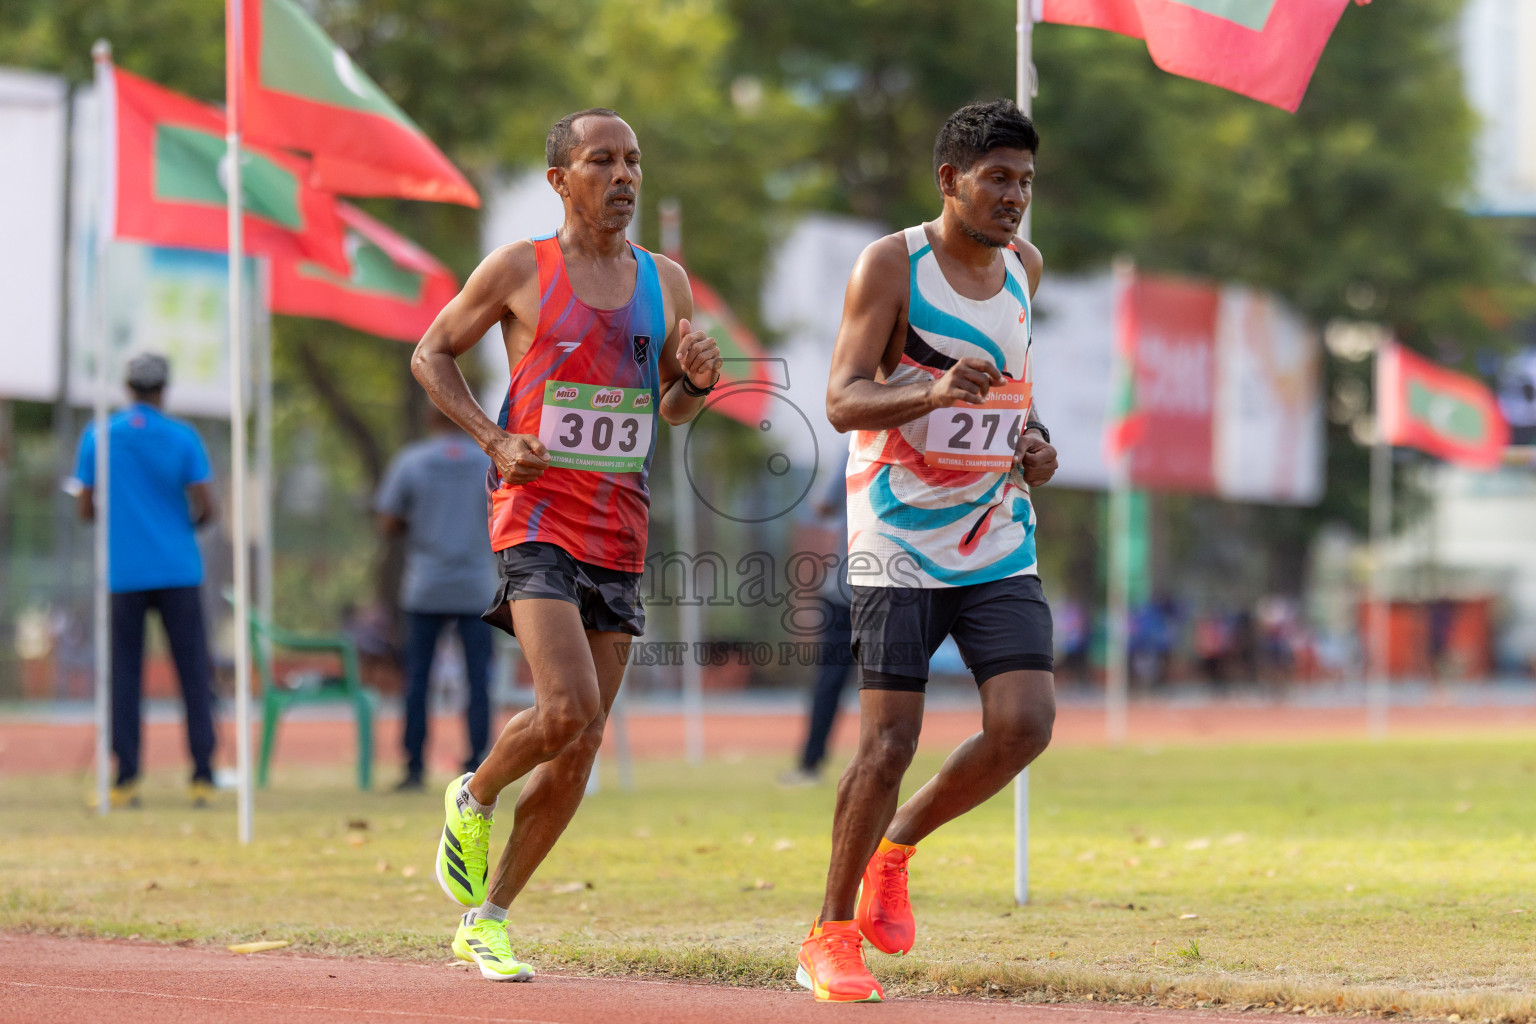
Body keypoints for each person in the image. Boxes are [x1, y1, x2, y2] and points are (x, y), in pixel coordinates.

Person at [410, 108, 722, 982]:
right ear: (559, 179)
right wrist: (493, 437)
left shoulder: (666, 282)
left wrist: (698, 383)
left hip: (619, 526)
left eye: (633, 161)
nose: (623, 177)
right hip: (536, 514)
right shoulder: (520, 268)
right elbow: (431, 354)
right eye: (601, 161)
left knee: (581, 742)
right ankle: (474, 793)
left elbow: (672, 406)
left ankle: (488, 918)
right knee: (564, 709)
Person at [798, 99, 1059, 1003]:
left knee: (1026, 723)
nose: (1014, 197)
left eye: (1025, 181)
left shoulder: (1026, 267)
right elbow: (842, 399)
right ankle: (828, 934)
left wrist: (1037, 444)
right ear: (950, 180)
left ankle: (897, 847)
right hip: (899, 536)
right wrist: (932, 391)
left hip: (996, 533)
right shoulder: (892, 264)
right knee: (888, 744)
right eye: (997, 179)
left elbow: (1015, 389)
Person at [70, 352, 218, 808]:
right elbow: (207, 506)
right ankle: (202, 774)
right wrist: (179, 526)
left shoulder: (99, 434)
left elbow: (85, 507)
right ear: (164, 389)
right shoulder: (183, 436)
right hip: (179, 570)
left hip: (124, 572)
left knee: (124, 677)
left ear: (127, 387)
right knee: (194, 675)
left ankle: (127, 777)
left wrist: (121, 517)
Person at [376, 406, 499, 791]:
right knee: (478, 679)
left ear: (431, 419)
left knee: (418, 679)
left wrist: (421, 520)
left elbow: (388, 521)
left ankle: (414, 766)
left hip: (425, 585)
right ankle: (478, 765)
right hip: (477, 585)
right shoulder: (489, 461)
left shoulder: (411, 461)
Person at [780, 451, 855, 787]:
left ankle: (810, 764)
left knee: (831, 680)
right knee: (898, 677)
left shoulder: (856, 442)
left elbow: (824, 505)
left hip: (849, 585)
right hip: (896, 584)